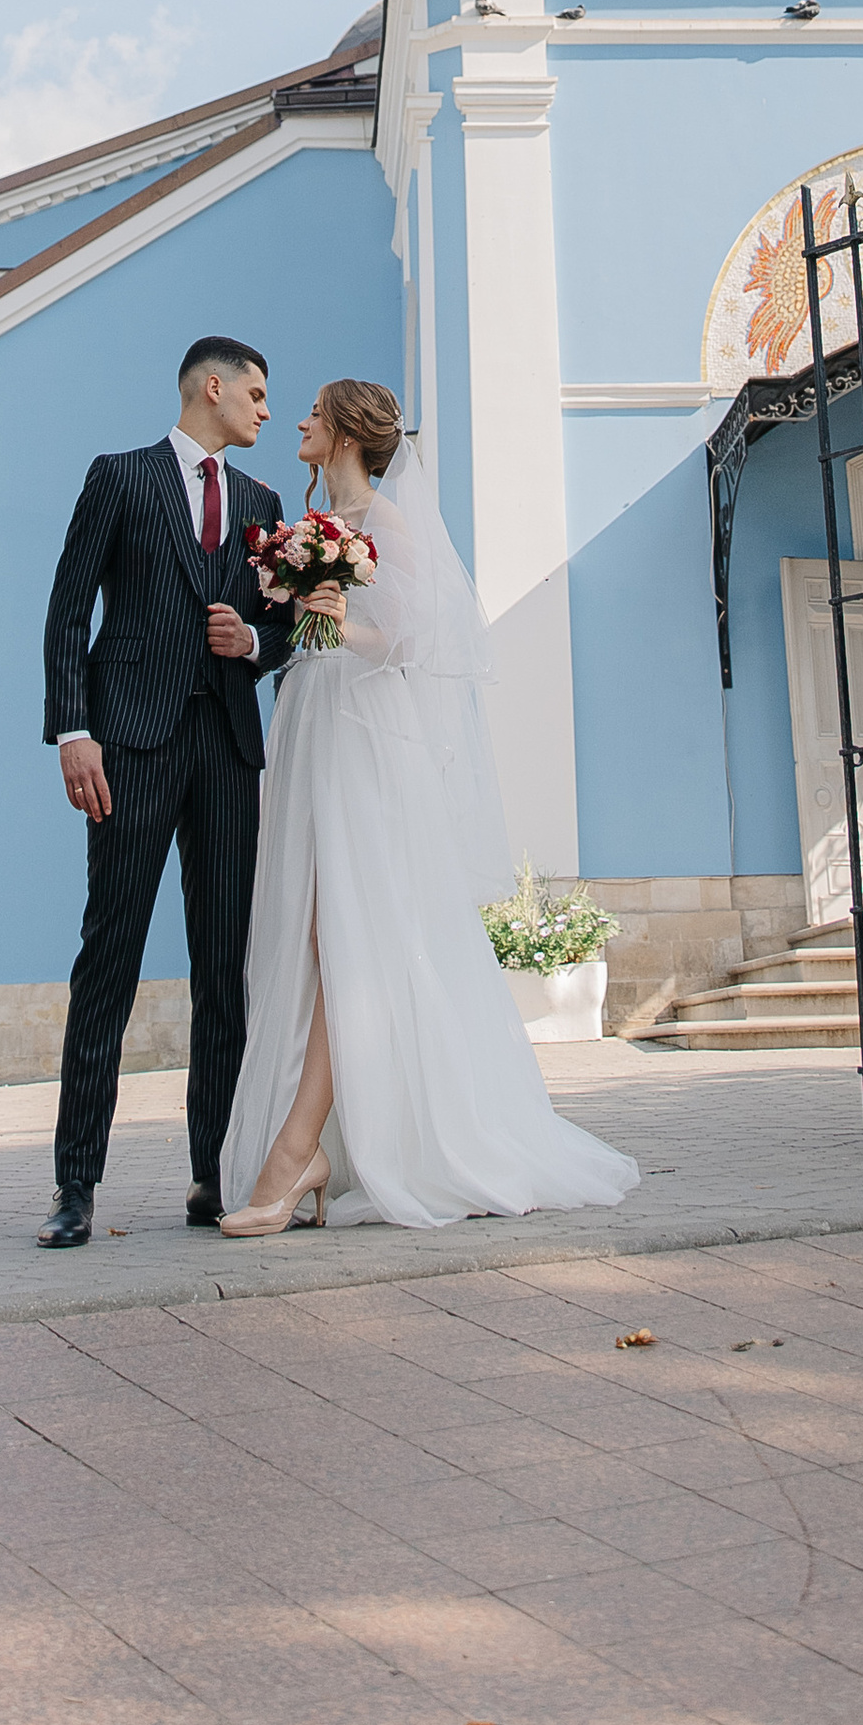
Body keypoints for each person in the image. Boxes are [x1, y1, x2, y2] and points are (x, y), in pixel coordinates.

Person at [218, 376, 639, 1234]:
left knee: (346, 929)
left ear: (342, 433)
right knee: (309, 930)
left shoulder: (387, 520)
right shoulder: (308, 531)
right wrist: (303, 613)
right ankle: (318, 1144)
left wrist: (336, 616)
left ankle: (298, 1152)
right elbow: (316, 634)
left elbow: (424, 638)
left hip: (367, 731)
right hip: (312, 722)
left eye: (312, 413)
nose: (295, 420)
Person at [35, 334, 293, 1248]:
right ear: (211, 389)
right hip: (130, 750)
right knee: (108, 960)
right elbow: (69, 611)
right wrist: (74, 731)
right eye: (256, 394)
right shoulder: (120, 476)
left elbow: (292, 625)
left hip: (226, 751)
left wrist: (254, 644)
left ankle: (211, 1177)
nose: (267, 410)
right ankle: (76, 1186)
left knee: (225, 970)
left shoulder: (263, 505)